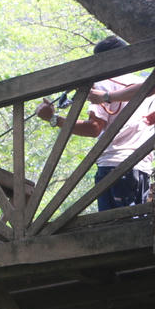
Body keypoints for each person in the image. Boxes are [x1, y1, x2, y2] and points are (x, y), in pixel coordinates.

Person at [36, 36, 155, 211]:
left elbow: (94, 128)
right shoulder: (143, 84)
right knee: (132, 226)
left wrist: (54, 119)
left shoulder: (102, 84)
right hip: (142, 166)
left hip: (114, 165)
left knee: (112, 229)